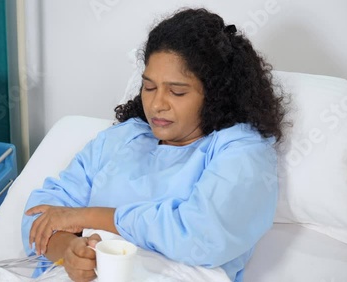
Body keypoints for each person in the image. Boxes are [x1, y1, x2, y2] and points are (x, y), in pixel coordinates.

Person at [22, 7, 287, 282]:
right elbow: (43, 212)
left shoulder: (241, 149)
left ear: (216, 95)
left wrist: (86, 217)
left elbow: (202, 236)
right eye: (149, 87)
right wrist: (67, 250)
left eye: (177, 91)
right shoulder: (122, 138)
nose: (157, 104)